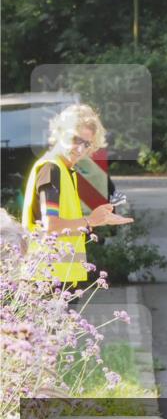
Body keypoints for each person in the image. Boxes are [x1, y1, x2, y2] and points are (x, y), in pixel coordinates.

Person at [21, 104, 132, 285]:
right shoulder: (52, 169)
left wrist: (98, 219)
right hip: (47, 280)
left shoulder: (64, 170)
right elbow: (51, 227)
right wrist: (91, 220)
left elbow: (59, 223)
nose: (81, 149)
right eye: (75, 139)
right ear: (59, 134)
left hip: (55, 278)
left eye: (87, 144)